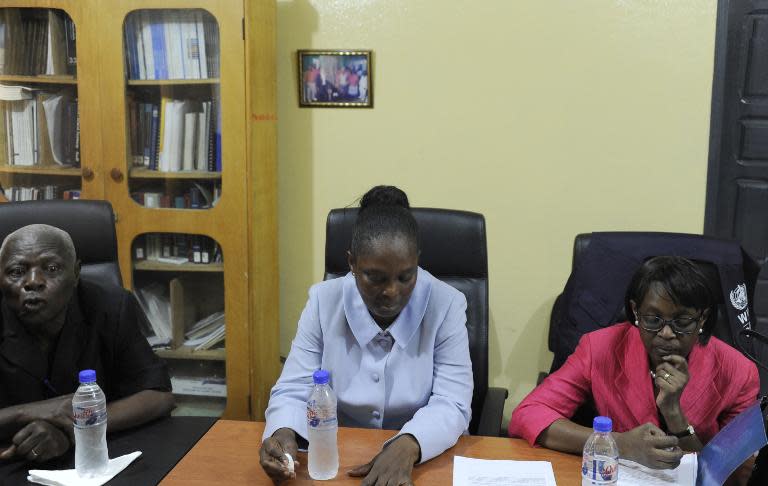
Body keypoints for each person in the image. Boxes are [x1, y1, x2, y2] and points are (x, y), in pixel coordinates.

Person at [259, 186, 473, 485]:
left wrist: (408, 445)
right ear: (352, 263)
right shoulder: (323, 302)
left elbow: (453, 402)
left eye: (405, 276)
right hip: (338, 462)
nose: (392, 292)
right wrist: (283, 432)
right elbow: (295, 387)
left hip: (424, 460)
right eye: (376, 277)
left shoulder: (446, 304)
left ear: (417, 262)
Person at [509, 256, 760, 470]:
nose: (666, 333)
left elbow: (734, 473)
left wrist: (676, 418)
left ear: (702, 318)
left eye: (682, 321)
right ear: (636, 312)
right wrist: (619, 444)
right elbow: (528, 414)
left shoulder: (738, 373)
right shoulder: (599, 348)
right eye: (653, 319)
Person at [0, 224, 174, 463]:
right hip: (9, 457)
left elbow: (158, 395)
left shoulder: (110, 306)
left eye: (51, 269)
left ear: (76, 273)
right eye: (17, 271)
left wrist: (77, 429)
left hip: (97, 456)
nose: (33, 282)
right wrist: (27, 413)